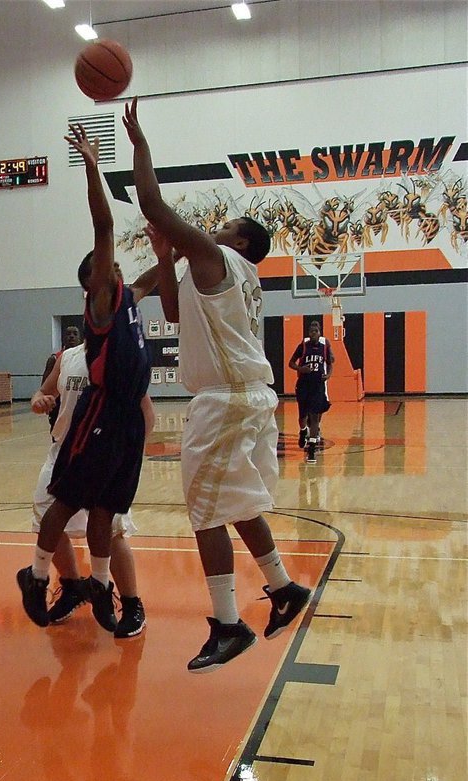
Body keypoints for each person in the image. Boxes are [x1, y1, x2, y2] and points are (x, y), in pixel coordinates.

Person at [124, 97, 312, 672]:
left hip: (227, 402)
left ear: (240, 243)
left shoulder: (220, 259)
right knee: (232, 502)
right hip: (246, 397)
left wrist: (139, 145)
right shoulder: (228, 275)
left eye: (225, 227)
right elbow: (177, 316)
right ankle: (282, 589)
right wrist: (160, 258)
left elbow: (152, 201)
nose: (214, 229)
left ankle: (229, 625)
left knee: (205, 512)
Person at [17, 122, 158, 635]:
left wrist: (172, 247)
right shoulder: (101, 300)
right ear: (95, 281)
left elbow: (151, 277)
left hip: (125, 422)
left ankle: (99, 585)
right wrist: (93, 169)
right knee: (68, 501)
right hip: (99, 413)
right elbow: (103, 228)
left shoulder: (129, 298)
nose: (116, 266)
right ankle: (36, 576)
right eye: (108, 265)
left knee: (106, 510)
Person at [30, 339, 155, 637]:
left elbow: (147, 414)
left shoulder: (120, 357)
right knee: (45, 518)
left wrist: (126, 454)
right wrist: (39, 401)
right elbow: (43, 392)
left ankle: (131, 602)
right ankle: (73, 586)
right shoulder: (68, 357)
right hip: (62, 452)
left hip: (101, 453)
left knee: (111, 530)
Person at [289, 320, 334, 464]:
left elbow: (330, 362)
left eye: (316, 331)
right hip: (303, 385)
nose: (314, 334)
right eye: (311, 331)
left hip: (318, 385)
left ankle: (312, 449)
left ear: (320, 333)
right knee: (303, 416)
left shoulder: (324, 347)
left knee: (315, 417)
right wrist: (301, 369)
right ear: (308, 334)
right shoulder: (303, 346)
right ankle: (303, 431)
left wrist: (328, 375)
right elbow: (291, 363)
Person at [41, 325, 81, 433]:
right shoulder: (54, 358)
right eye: (68, 334)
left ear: (80, 338)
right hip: (58, 406)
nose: (71, 336)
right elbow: (44, 387)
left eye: (75, 334)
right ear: (63, 338)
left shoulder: (86, 358)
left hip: (77, 405)